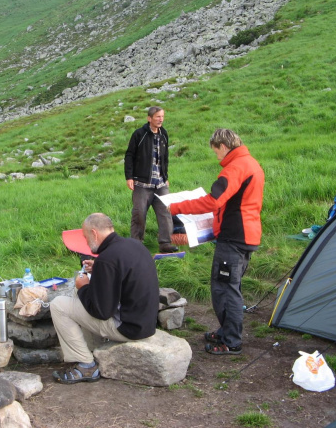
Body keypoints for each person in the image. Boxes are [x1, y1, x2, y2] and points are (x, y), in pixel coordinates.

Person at [168, 129, 264, 355]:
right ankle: (225, 332)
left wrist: (176, 207)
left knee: (225, 289)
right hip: (246, 234)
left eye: (216, 152)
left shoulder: (236, 167)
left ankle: (231, 342)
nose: (217, 157)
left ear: (222, 145)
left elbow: (213, 201)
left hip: (234, 237)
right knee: (231, 286)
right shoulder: (250, 162)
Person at [50, 213, 159, 383]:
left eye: (86, 237)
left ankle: (86, 366)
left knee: (58, 305)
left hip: (128, 329)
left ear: (94, 233)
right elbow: (121, 275)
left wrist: (83, 287)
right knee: (79, 297)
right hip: (145, 322)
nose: (86, 242)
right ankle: (92, 348)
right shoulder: (133, 245)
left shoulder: (107, 259)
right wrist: (99, 269)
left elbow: (101, 312)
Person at [124, 106, 177, 253]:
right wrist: (129, 177)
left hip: (160, 183)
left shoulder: (164, 134)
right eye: (157, 117)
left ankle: (165, 244)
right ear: (149, 118)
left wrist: (165, 177)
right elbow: (129, 156)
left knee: (166, 213)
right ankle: (136, 245)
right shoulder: (139, 134)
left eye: (162, 116)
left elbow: (164, 158)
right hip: (141, 183)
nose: (161, 119)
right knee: (139, 213)